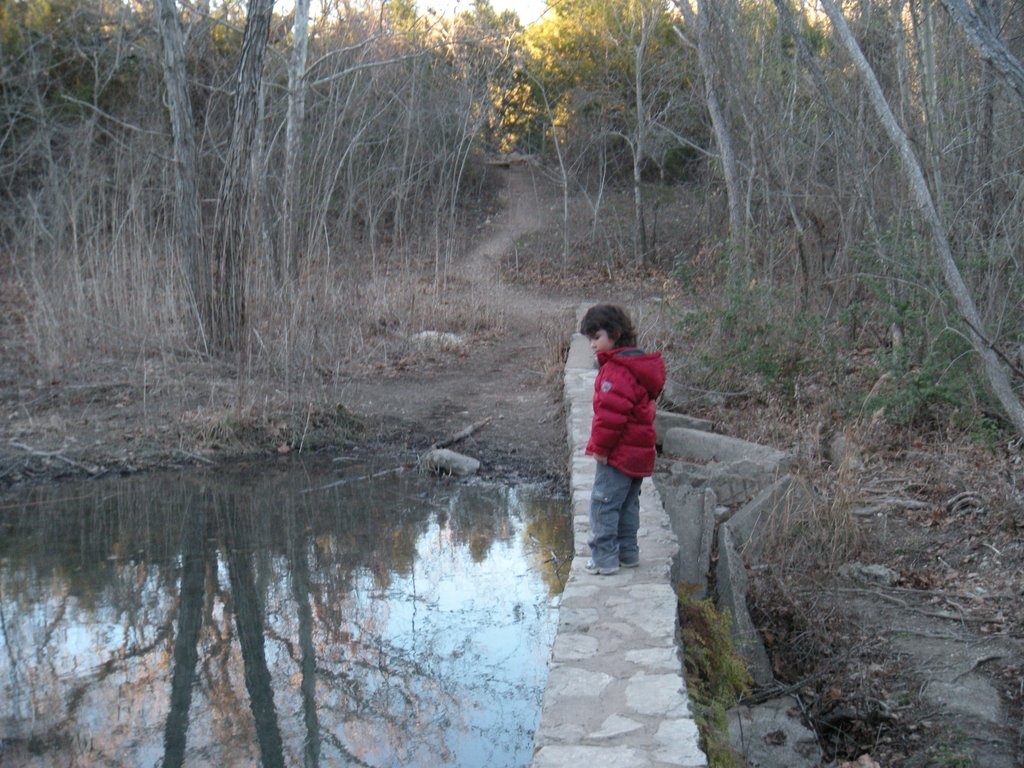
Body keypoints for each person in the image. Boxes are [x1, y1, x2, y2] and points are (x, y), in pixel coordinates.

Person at [579, 304, 666, 575]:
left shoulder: (616, 370)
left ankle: (604, 558)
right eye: (589, 339)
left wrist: (601, 449)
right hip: (639, 453)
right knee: (628, 504)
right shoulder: (637, 365)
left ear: (615, 334)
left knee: (603, 504)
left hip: (618, 453)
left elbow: (610, 417)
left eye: (596, 337)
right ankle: (628, 553)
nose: (592, 345)